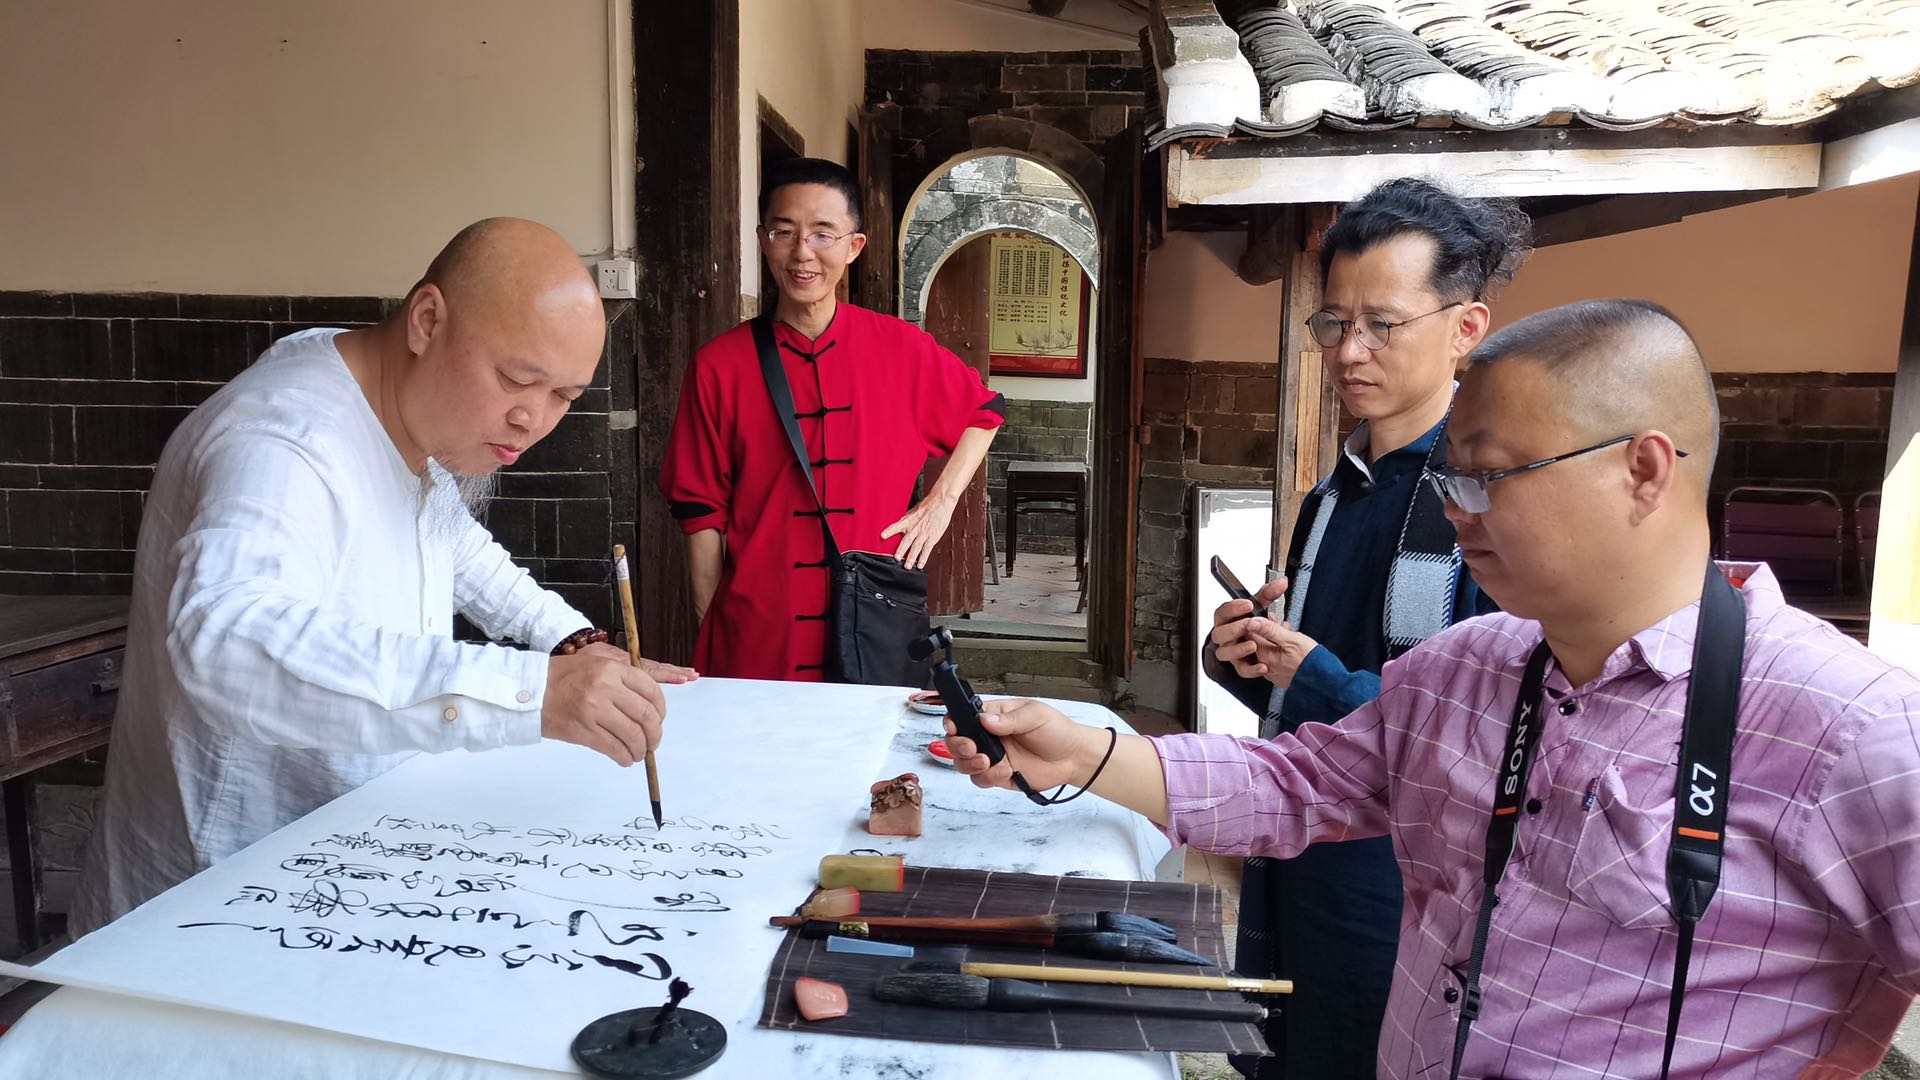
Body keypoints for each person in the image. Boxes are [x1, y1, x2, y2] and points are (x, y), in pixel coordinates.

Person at [950, 300, 1920, 1077]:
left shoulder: (1853, 730)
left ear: (1643, 469)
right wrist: (1085, 753)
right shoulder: (1467, 669)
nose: (1459, 510)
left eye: (1490, 476)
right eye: (1451, 480)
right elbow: (1296, 784)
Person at [73, 219, 694, 936]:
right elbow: (225, 643)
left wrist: (573, 643)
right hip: (217, 901)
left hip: (345, 861)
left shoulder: (387, 399)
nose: (533, 419)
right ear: (427, 320)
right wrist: (533, 692)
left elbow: (455, 544)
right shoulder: (282, 442)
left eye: (566, 396)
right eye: (517, 380)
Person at [1202, 178, 1525, 1078]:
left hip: (1404, 879)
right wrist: (1247, 657)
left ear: (1465, 327)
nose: (1350, 351)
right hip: (1299, 845)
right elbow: (1322, 676)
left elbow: (1492, 721)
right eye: (1335, 322)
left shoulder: (1487, 501)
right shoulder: (1333, 494)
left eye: (1383, 323)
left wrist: (1314, 677)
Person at [660, 157, 1005, 681]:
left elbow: (985, 411)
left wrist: (941, 502)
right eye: (784, 232)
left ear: (853, 246)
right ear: (762, 239)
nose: (803, 252)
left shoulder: (902, 349)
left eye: (823, 234)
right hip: (760, 631)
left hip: (873, 624)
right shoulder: (719, 366)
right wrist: (714, 625)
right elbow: (699, 511)